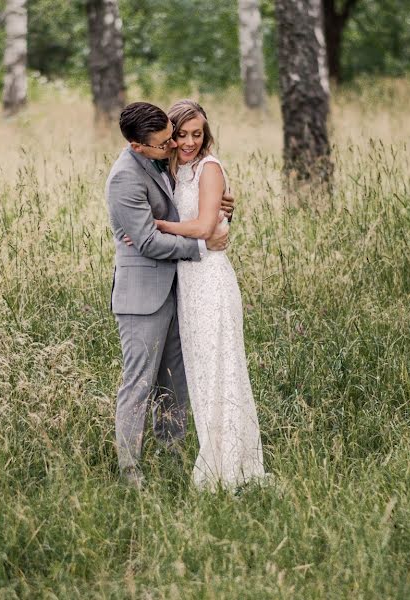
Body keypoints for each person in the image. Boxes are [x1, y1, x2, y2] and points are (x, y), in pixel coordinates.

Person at [105, 101, 235, 488]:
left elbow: (195, 207)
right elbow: (146, 240)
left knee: (174, 384)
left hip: (182, 290)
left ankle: (172, 462)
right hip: (142, 297)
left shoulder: (165, 157)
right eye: (163, 144)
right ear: (136, 145)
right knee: (139, 384)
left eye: (171, 138)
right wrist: (203, 246)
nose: (173, 148)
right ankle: (131, 473)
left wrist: (224, 211)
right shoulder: (124, 179)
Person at [153, 99, 266, 490]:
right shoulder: (170, 169)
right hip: (187, 284)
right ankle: (215, 454)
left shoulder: (210, 167)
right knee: (201, 375)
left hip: (211, 281)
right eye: (181, 134)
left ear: (206, 134)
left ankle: (232, 465)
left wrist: (157, 226)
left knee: (223, 369)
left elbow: (203, 227)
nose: (188, 142)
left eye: (196, 134)